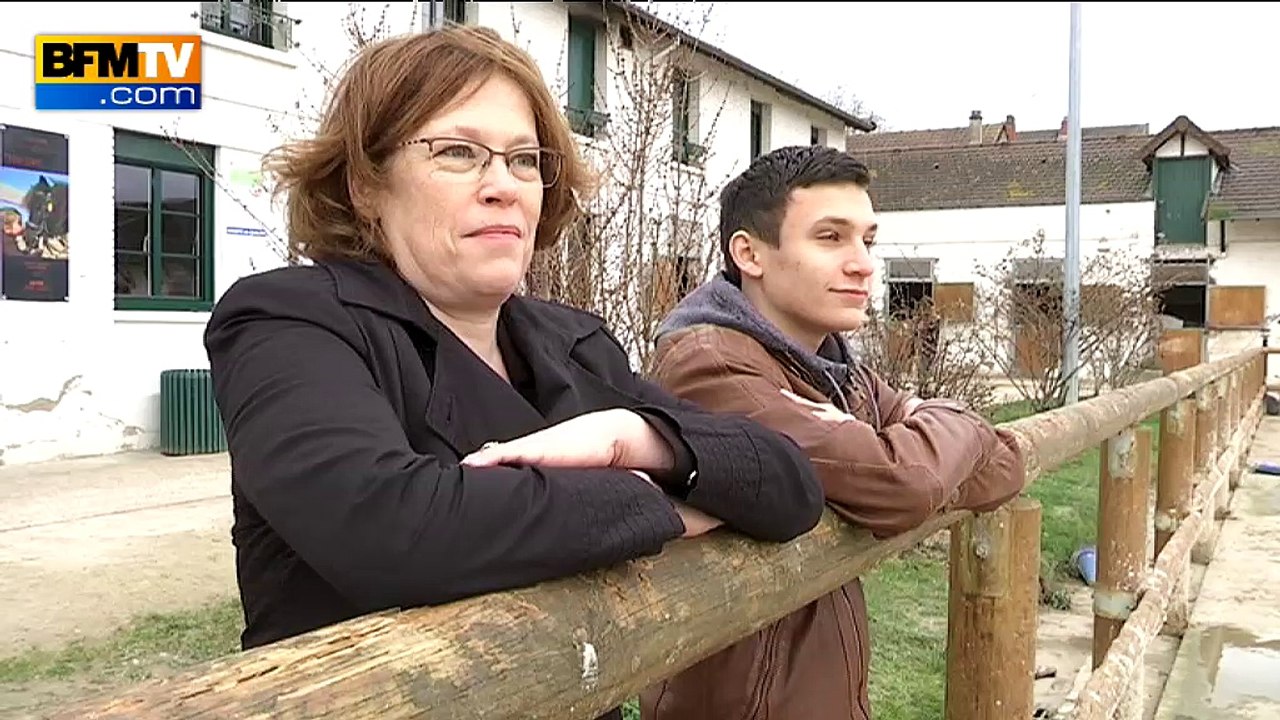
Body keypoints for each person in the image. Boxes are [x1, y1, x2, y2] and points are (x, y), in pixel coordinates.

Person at [201, 25, 826, 714]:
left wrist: (632, 437)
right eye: (459, 152)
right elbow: (393, 532)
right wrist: (660, 503)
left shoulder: (571, 340)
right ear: (365, 186)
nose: (503, 185)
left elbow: (790, 483)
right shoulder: (289, 320)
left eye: (524, 160)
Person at [640, 145, 1029, 720]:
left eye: (867, 240)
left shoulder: (830, 366)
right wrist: (941, 431)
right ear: (749, 254)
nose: (863, 264)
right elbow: (906, 485)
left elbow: (1005, 464)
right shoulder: (712, 367)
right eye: (830, 238)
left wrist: (927, 437)